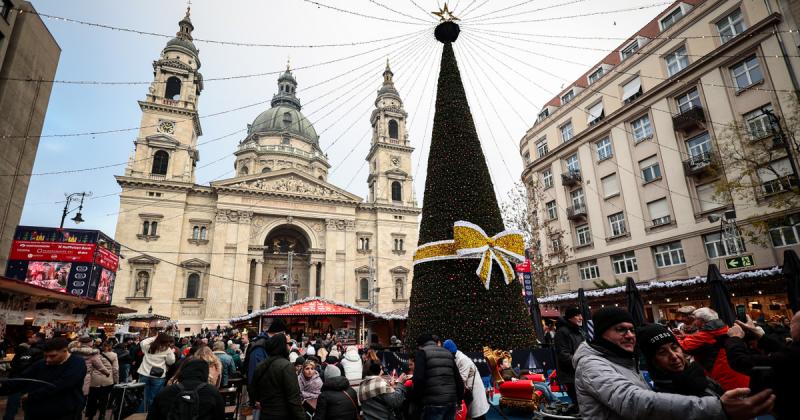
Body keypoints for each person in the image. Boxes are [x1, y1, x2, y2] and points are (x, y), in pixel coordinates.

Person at [573, 307, 775, 419]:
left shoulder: (622, 360)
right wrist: (718, 408)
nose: (629, 335)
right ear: (601, 334)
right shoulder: (592, 364)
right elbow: (633, 402)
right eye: (620, 330)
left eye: (632, 330)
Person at [724, 311, 800, 419]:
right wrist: (758, 333)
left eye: (791, 324)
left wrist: (735, 338)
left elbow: (741, 362)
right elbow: (784, 350)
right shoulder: (792, 352)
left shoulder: (791, 356)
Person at [0, 337, 87, 420]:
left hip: (63, 412)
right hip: (36, 412)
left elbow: (62, 384)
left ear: (64, 351)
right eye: (46, 356)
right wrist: (3, 386)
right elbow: (23, 378)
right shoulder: (42, 363)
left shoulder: (77, 362)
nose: (48, 360)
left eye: (52, 356)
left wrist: (31, 396)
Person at [637, 323, 723, 397]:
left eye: (674, 348)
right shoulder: (663, 398)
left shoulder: (698, 373)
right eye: (662, 352)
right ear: (653, 361)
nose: (674, 356)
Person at [675, 307, 749, 391]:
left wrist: (673, 337)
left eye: (695, 319)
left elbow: (684, 346)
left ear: (701, 321)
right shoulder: (722, 328)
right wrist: (685, 336)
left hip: (725, 380)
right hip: (737, 374)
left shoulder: (706, 335)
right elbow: (708, 340)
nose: (694, 322)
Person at [146, 359, 225, 420]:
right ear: (205, 373)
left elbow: (152, 416)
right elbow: (220, 416)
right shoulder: (212, 392)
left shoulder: (166, 392)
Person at [251, 333, 305, 420]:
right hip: (282, 414)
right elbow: (294, 398)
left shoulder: (260, 365)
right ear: (282, 346)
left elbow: (253, 389)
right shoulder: (286, 366)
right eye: (288, 344)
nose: (289, 347)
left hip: (265, 413)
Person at [412, 334, 463, 420]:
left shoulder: (422, 352)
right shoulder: (447, 352)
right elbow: (458, 378)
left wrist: (417, 400)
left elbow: (418, 379)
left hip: (433, 402)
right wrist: (459, 399)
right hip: (451, 401)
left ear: (420, 345)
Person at [443, 339, 489, 420]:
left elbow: (462, 379)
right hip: (467, 390)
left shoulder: (462, 359)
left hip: (474, 389)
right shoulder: (455, 358)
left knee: (478, 415)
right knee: (473, 414)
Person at [4, 333, 45, 420]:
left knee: (14, 401)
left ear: (37, 339)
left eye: (32, 337)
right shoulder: (41, 349)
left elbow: (20, 366)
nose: (29, 339)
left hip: (22, 379)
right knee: (29, 405)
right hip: (34, 381)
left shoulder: (31, 350)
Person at [554, 306, 584, 408]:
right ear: (570, 317)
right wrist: (582, 361)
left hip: (580, 371)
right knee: (579, 402)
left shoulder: (579, 331)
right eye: (577, 315)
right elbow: (563, 354)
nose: (581, 318)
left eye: (581, 315)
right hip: (570, 374)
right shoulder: (562, 332)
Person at [137, 333, 176, 412]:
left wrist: (155, 337)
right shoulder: (167, 349)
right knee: (154, 397)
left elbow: (142, 342)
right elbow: (171, 361)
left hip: (144, 373)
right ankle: (151, 414)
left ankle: (140, 414)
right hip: (158, 376)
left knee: (144, 396)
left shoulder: (148, 347)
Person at [86, 340, 119, 420]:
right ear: (111, 346)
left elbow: (90, 367)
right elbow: (115, 370)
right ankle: (102, 415)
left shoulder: (95, 354)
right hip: (107, 380)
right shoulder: (114, 355)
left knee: (92, 399)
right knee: (104, 399)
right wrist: (116, 381)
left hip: (94, 380)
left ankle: (90, 416)